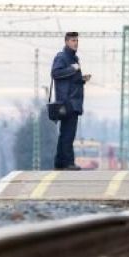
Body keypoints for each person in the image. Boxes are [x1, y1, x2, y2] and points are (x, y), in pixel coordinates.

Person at [51, 32, 91, 170]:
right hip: (67, 102)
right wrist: (72, 69)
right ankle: (68, 162)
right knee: (68, 134)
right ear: (66, 42)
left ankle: (59, 162)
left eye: (77, 40)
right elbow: (55, 73)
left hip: (73, 101)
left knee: (66, 133)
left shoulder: (74, 58)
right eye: (73, 40)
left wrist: (81, 79)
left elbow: (71, 80)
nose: (76, 43)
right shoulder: (62, 57)